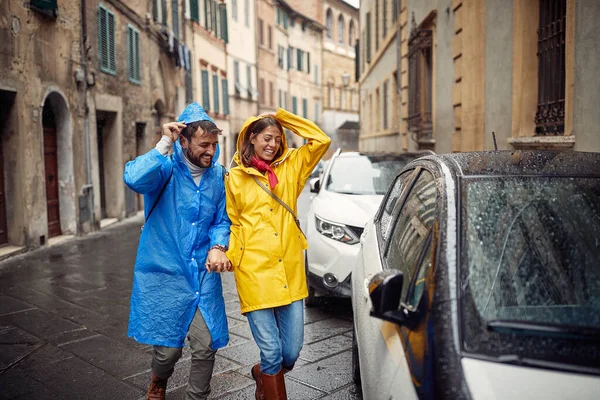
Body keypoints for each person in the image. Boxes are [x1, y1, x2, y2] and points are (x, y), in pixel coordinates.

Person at [124, 102, 232, 400]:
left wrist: (218, 246)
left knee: (206, 343)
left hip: (202, 274)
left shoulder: (218, 177)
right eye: (203, 145)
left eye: (214, 144)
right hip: (165, 272)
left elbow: (222, 220)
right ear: (183, 141)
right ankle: (159, 379)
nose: (210, 151)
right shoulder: (165, 170)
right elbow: (133, 178)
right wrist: (163, 142)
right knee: (168, 350)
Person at [225, 108, 331, 399]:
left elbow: (320, 140)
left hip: (289, 269)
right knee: (271, 352)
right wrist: (230, 255)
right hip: (253, 271)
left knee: (291, 352)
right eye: (266, 138)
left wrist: (283, 117)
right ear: (251, 138)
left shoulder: (292, 166)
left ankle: (263, 374)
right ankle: (269, 379)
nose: (272, 144)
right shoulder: (234, 177)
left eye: (277, 138)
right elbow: (232, 222)